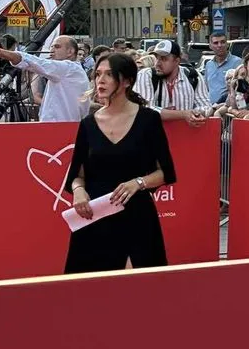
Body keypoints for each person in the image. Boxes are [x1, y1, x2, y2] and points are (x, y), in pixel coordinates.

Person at [64, 52, 176, 273]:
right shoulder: (88, 123)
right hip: (96, 216)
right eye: (98, 74)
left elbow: (167, 172)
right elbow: (77, 174)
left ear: (126, 81)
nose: (100, 80)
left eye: (108, 74)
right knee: (90, 292)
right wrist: (78, 191)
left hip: (137, 216)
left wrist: (138, 182)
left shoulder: (148, 120)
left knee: (139, 291)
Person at [0, 35, 91, 123]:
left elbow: (34, 62)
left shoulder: (68, 68)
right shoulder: (69, 70)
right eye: (51, 46)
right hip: (61, 129)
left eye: (57, 47)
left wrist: (1, 52)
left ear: (70, 52)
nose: (52, 50)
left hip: (60, 130)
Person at [133, 40, 209, 126]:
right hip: (154, 136)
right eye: (157, 58)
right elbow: (145, 109)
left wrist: (195, 115)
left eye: (164, 59)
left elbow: (205, 106)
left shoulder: (193, 76)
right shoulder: (146, 75)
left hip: (185, 136)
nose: (157, 63)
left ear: (177, 61)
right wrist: (184, 114)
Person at [203, 33, 241, 105]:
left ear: (227, 44)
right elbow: (207, 88)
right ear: (210, 46)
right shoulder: (209, 65)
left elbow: (241, 89)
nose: (219, 45)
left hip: (228, 109)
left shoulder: (237, 62)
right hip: (211, 108)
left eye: (222, 42)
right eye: (216, 43)